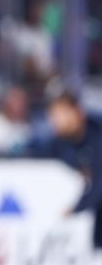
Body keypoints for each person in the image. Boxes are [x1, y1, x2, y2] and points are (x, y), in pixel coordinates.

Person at [44, 92, 102, 249]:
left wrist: (75, 209)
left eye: (61, 114)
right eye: (53, 115)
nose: (56, 120)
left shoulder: (97, 136)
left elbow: (98, 184)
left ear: (78, 112)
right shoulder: (58, 145)